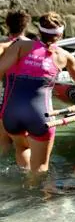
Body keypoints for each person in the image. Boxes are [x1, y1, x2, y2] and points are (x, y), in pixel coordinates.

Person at [0, 12, 75, 174]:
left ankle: (23, 180)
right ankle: (35, 193)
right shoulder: (65, 56)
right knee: (41, 167)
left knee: (21, 147)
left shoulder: (20, 46)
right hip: (41, 116)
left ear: (39, 31)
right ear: (61, 34)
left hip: (10, 113)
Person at [0, 10, 32, 156]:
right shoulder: (35, 47)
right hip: (30, 102)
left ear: (7, 25)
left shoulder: (3, 46)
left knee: (3, 143)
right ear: (26, 26)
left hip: (6, 100)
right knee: (26, 146)